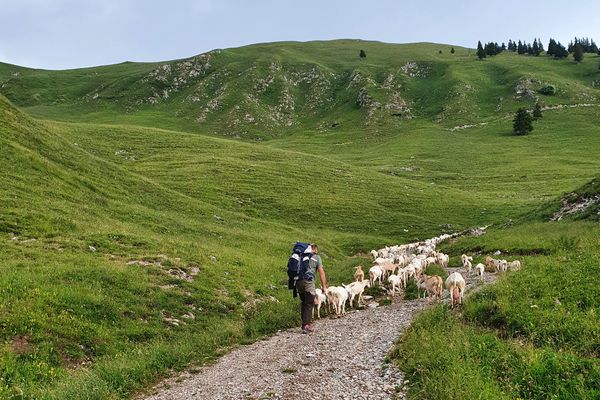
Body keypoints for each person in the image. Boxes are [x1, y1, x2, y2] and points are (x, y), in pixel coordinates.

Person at [296, 243, 328, 334]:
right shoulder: (316, 257)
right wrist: (324, 286)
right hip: (309, 282)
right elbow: (321, 272)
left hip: (298, 282)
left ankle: (304, 324)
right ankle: (306, 325)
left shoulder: (300, 256)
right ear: (315, 250)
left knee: (304, 302)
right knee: (309, 302)